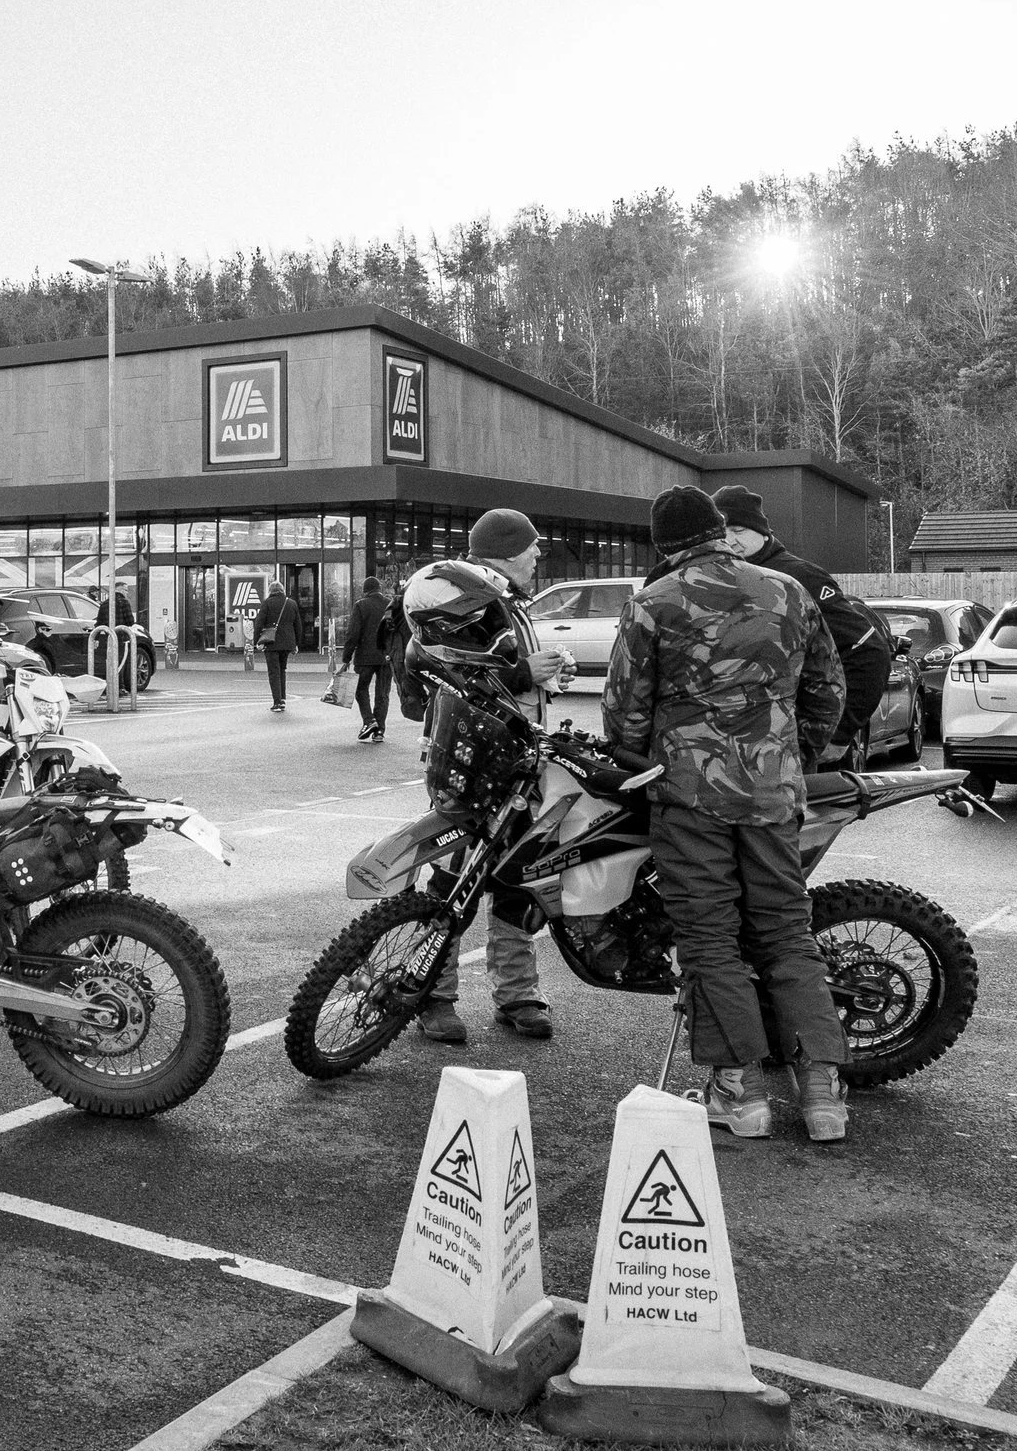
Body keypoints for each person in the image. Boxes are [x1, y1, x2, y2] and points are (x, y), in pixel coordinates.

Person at [605, 487, 851, 1143]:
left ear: (664, 544)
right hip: (773, 793)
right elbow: (828, 689)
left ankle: (740, 1094)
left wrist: (641, 755)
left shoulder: (654, 602)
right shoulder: (788, 592)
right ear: (719, 529)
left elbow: (624, 708)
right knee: (784, 929)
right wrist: (790, 755)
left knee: (710, 935)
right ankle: (823, 1092)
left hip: (690, 796)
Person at [400, 509, 572, 1042]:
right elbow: (446, 667)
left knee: (519, 878)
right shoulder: (462, 594)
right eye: (532, 546)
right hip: (471, 764)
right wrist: (525, 672)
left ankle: (518, 994)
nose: (539, 554)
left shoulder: (504, 599)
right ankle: (432, 994)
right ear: (505, 549)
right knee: (452, 881)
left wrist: (543, 679)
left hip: (520, 763)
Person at [711, 485, 894, 769]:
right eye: (722, 531)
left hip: (797, 750)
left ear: (762, 531)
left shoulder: (800, 578)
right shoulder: (714, 580)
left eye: (739, 530)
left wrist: (840, 733)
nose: (730, 540)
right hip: (730, 750)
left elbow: (868, 652)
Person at [340, 575, 393, 742]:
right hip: (387, 656)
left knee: (361, 689)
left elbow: (353, 633)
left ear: (365, 591)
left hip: (365, 656)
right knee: (382, 693)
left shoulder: (361, 605)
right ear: (379, 589)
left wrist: (346, 657)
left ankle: (369, 721)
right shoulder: (390, 605)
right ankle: (379, 732)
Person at [251, 584, 300, 711]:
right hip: (287, 643)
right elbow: (298, 625)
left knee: (274, 672)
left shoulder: (267, 603)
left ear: (270, 591)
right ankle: (282, 699)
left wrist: (256, 641)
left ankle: (277, 702)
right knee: (282, 670)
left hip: (271, 642)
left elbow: (259, 623)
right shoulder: (292, 603)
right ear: (282, 590)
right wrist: (296, 644)